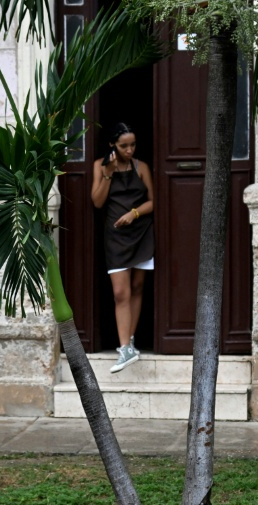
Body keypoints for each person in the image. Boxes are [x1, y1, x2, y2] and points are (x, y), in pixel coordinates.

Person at [91, 122, 154, 373]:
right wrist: (107, 172)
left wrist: (134, 213)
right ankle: (125, 347)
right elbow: (97, 202)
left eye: (133, 145)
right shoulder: (100, 166)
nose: (129, 150)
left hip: (141, 232)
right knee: (120, 292)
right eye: (124, 146)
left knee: (137, 287)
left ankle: (129, 341)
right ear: (112, 145)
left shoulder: (142, 167)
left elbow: (154, 201)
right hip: (115, 236)